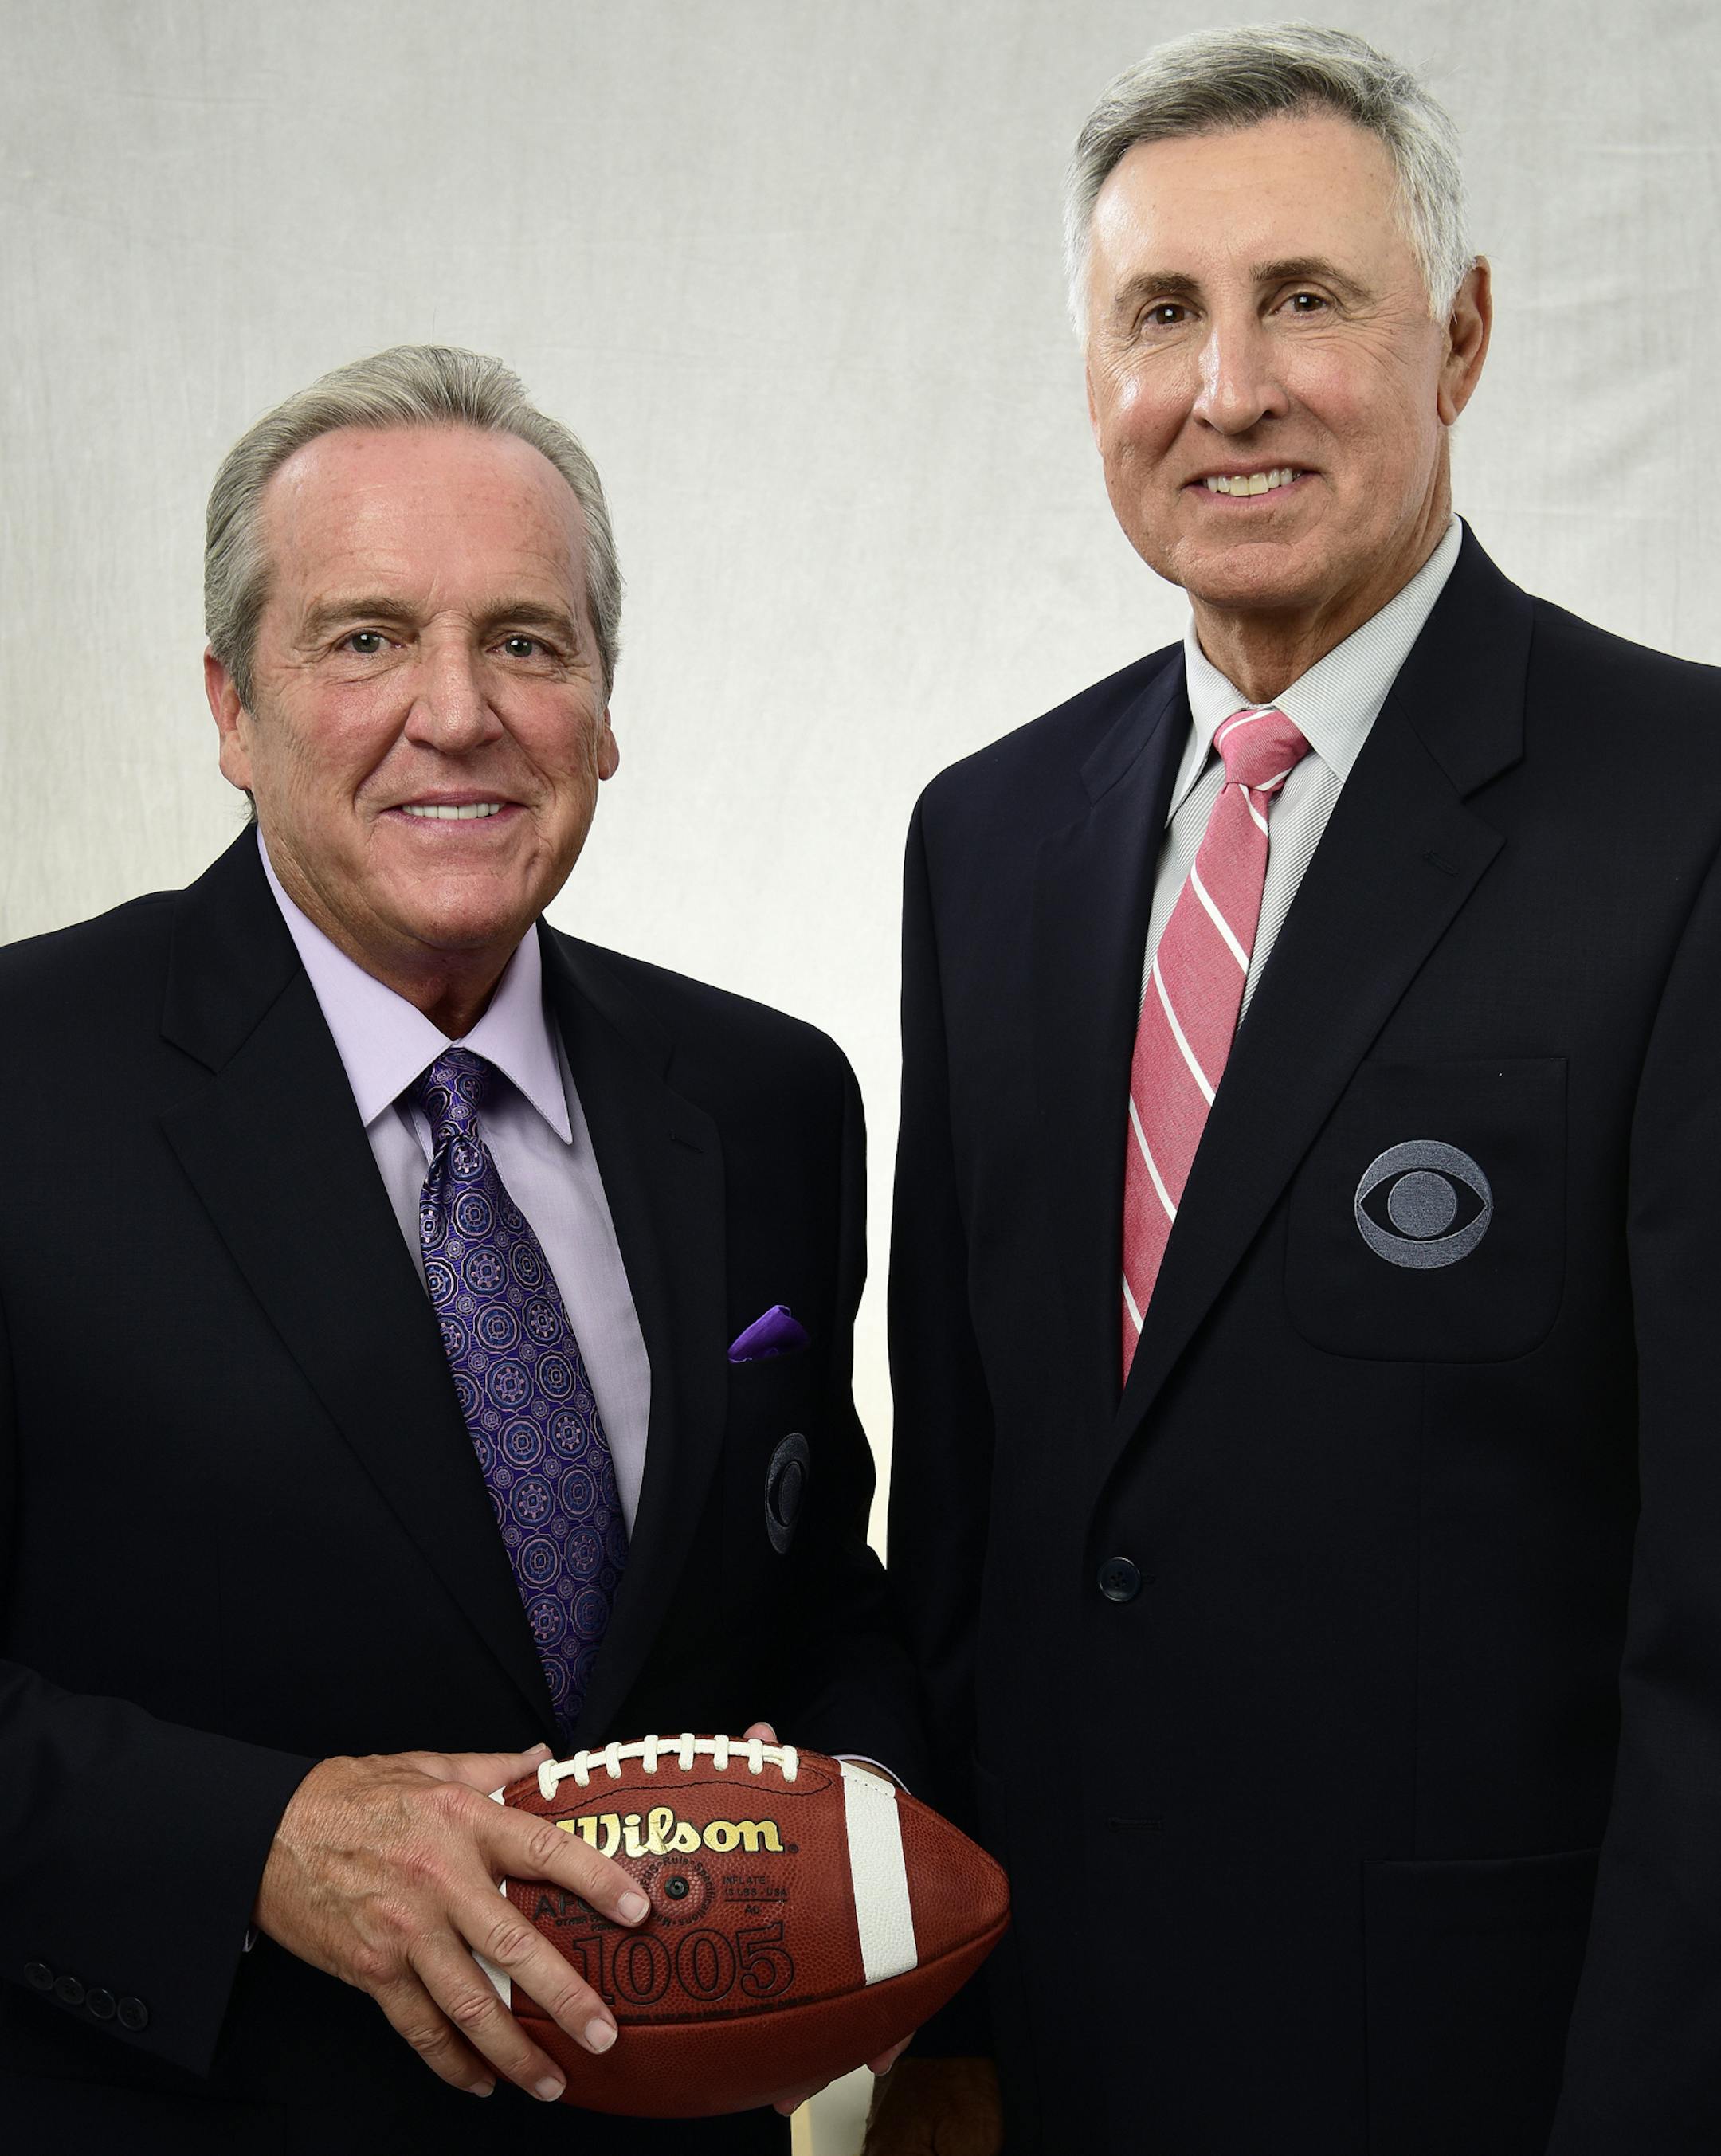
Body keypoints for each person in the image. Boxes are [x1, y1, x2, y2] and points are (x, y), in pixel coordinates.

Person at [873, 24, 1721, 2155]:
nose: (1226, 385)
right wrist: (945, 2034)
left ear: (1464, 334)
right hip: (1058, 2070)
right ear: (1092, 372)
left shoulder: (1686, 821)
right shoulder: (985, 842)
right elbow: (975, 1522)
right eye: (1162, 313)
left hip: (1487, 2080)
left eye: (1306, 301)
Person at [0, 344, 919, 2152]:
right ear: (228, 705)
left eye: (526, 640)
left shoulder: (765, 1093)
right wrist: (256, 1844)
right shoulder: (28, 1082)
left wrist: (872, 1834)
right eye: (363, 639)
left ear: (602, 702)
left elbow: (809, 1603)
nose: (458, 711)